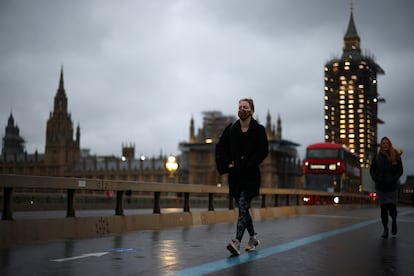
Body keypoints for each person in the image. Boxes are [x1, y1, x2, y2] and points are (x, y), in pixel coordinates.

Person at [215, 98, 268, 255]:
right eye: (240, 107)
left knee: (243, 205)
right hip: (236, 177)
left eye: (245, 107)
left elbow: (263, 151)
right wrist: (227, 164)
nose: (242, 109)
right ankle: (253, 238)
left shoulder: (258, 129)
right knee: (243, 209)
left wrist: (248, 163)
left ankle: (236, 242)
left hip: (250, 176)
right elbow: (220, 148)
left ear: (251, 110)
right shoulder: (231, 129)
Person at [370, 136, 403, 239]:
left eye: (387, 143)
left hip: (392, 187)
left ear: (390, 144)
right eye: (383, 143)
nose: (385, 145)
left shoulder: (396, 155)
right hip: (381, 187)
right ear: (381, 145)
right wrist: (376, 179)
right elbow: (372, 170)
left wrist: (394, 179)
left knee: (392, 208)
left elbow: (400, 170)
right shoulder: (377, 156)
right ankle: (385, 229)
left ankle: (394, 221)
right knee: (383, 209)